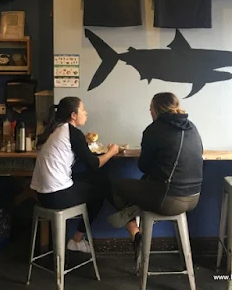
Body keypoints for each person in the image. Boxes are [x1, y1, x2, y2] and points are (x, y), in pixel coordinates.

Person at [108, 92, 203, 265]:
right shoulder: (192, 127)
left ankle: (135, 234)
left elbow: (143, 166)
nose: (149, 111)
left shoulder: (154, 130)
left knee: (116, 185)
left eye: (150, 108)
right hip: (194, 197)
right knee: (147, 182)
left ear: (156, 110)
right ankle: (135, 208)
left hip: (168, 200)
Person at [31, 97, 120, 253]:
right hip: (57, 196)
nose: (86, 113)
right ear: (73, 115)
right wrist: (113, 151)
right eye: (83, 109)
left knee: (98, 179)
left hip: (42, 195)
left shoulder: (56, 130)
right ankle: (77, 239)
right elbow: (94, 164)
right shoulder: (72, 132)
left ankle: (126, 219)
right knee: (101, 188)